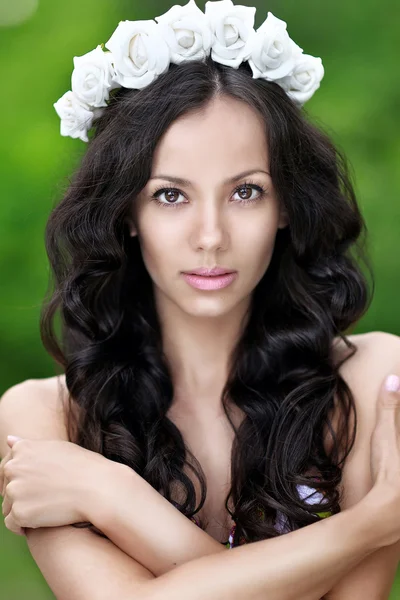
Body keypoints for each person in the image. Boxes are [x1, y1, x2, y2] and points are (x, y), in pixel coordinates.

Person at [1, 1, 400, 598]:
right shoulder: (46, 419)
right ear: (127, 213)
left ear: (286, 205)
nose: (210, 236)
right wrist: (369, 527)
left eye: (245, 191)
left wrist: (112, 497)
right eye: (170, 196)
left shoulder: (375, 384)